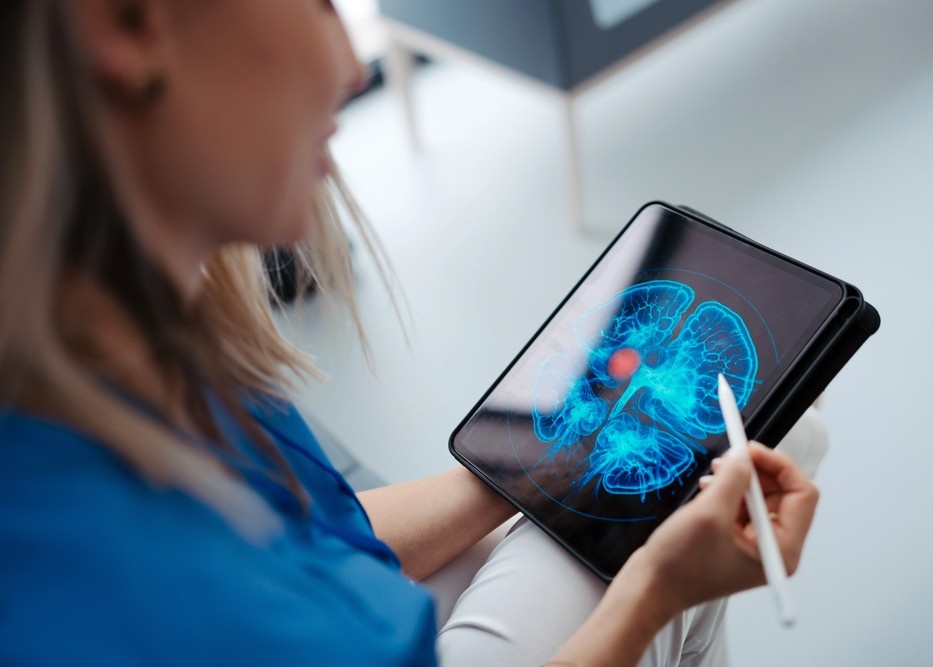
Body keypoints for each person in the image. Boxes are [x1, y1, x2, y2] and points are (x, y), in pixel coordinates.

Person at [0, 1, 820, 665]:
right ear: (129, 24)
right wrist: (654, 590)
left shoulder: (142, 355)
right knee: (771, 444)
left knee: (725, 458)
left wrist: (540, 459)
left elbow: (324, 528)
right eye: (319, 3)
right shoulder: (95, 570)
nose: (352, 69)